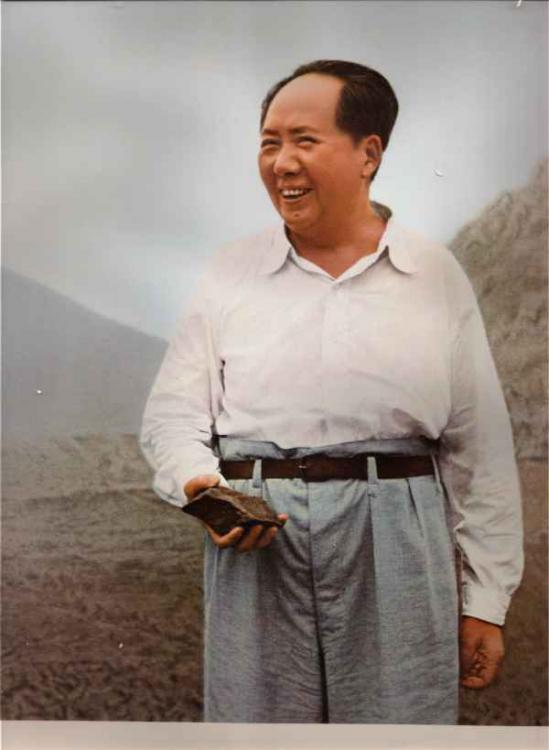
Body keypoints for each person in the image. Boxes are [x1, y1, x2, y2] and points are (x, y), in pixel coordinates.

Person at [140, 60, 523, 724]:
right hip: (257, 536)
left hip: (395, 537)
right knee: (256, 735)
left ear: (368, 154)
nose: (281, 163)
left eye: (303, 141)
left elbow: (478, 451)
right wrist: (202, 487)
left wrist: (485, 602)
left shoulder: (433, 275)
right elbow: (172, 417)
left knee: (398, 732)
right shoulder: (231, 272)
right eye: (269, 142)